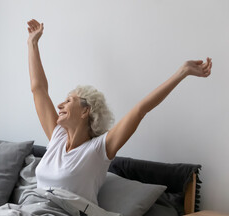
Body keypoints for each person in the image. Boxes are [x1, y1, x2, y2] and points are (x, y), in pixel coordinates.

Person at [26, 19, 212, 205]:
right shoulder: (57, 137)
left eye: (68, 101)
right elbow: (38, 90)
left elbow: (140, 110)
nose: (59, 105)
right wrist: (32, 43)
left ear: (85, 111)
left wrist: (182, 72)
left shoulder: (98, 150)